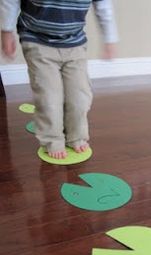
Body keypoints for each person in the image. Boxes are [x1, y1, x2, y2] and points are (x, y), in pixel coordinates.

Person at [0, 0, 118, 159]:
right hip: (37, 40)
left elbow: (103, 6)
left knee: (79, 97)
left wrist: (109, 38)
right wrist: (6, 30)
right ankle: (52, 139)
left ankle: (76, 136)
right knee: (49, 97)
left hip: (75, 43)